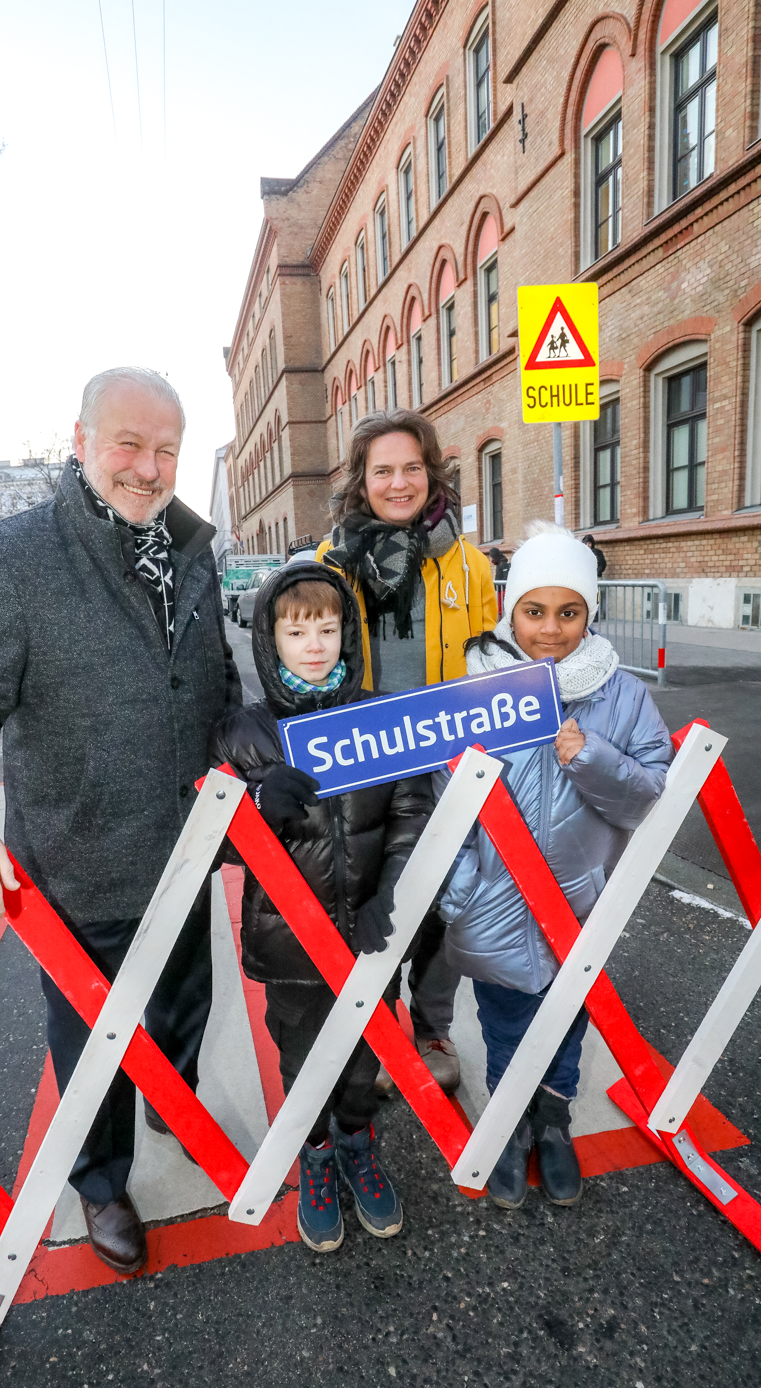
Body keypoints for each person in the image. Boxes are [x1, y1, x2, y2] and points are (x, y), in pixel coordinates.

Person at [0, 366, 241, 1275]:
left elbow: (212, 683)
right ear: (82, 439)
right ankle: (101, 1181)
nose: (148, 466)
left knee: (182, 1010)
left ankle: (174, 1096)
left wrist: (246, 734)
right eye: (128, 443)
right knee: (91, 1047)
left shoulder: (192, 549)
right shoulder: (13, 556)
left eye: (166, 449)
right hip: (78, 864)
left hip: (186, 854)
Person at [435, 522, 672, 1210]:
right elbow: (440, 797)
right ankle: (510, 1122)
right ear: (511, 609)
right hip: (493, 900)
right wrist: (458, 894)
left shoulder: (621, 697)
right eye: (534, 612)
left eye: (568, 613)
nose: (549, 630)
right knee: (505, 1017)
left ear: (588, 614)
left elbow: (650, 793)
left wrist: (590, 757)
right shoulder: (478, 684)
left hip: (578, 904)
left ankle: (553, 1120)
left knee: (568, 1015)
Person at [211, 565, 433, 1253]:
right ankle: (312, 1152)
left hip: (368, 931)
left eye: (328, 629)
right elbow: (211, 842)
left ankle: (356, 1141)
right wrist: (251, 807)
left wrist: (389, 898)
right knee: (302, 1052)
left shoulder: (379, 718)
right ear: (268, 637)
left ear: (349, 635)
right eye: (296, 630)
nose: (314, 644)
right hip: (289, 944)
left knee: (366, 1055)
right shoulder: (244, 734)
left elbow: (410, 814)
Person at [317, 410, 497, 1097]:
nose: (399, 483)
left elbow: (489, 665)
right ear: (361, 481)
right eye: (382, 470)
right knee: (370, 898)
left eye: (411, 468)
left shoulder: (467, 563)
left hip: (446, 762)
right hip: (366, 763)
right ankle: (372, 1020)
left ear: (432, 473)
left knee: (445, 902)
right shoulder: (333, 565)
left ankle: (430, 1025)